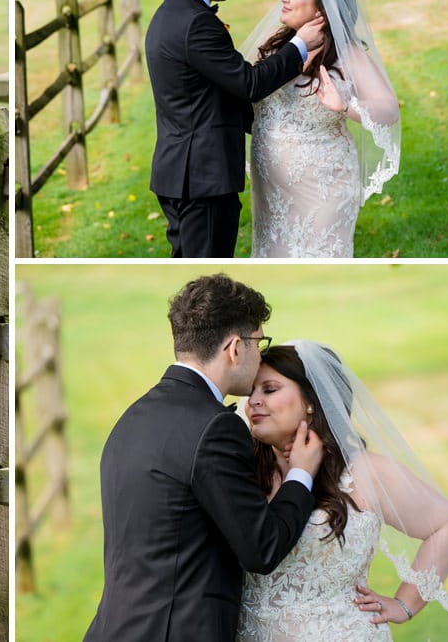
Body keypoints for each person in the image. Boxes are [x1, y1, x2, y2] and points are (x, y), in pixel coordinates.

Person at [84, 273, 324, 641]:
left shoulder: (131, 418)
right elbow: (263, 547)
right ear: (234, 348)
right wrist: (301, 475)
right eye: (259, 344)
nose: (259, 357)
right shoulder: (216, 429)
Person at [237, 341, 448, 640]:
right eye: (250, 391)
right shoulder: (241, 472)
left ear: (311, 400)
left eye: (269, 389)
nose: (252, 401)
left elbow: (446, 525)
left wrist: (404, 603)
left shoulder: (365, 473)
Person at [145, 0, 325, 258]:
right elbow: (248, 83)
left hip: (182, 173)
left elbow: (212, 91)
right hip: (203, 178)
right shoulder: (196, 22)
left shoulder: (170, 12)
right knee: (206, 268)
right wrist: (300, 45)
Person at [240, 0, 401, 257]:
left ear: (321, 12)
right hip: (271, 188)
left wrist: (345, 107)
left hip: (322, 184)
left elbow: (389, 110)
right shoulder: (277, 47)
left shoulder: (347, 54)